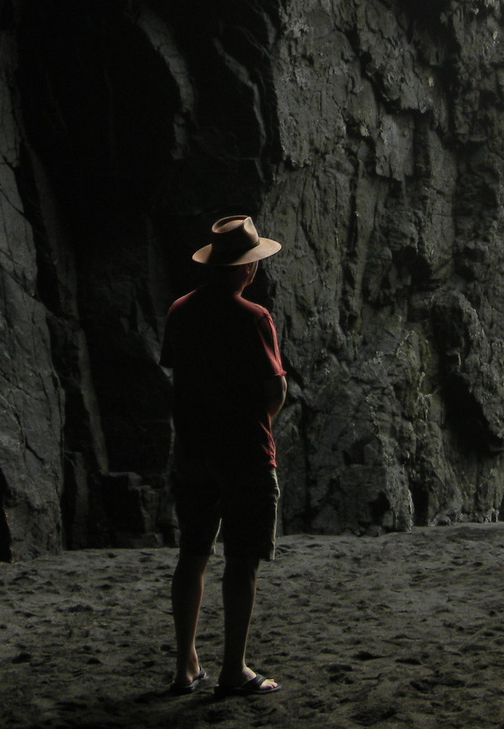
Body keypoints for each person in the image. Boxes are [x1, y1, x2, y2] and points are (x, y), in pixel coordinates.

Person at [161, 215, 287, 698]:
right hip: (245, 454)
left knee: (192, 555)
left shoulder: (180, 311)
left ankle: (185, 664)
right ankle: (233, 669)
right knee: (242, 559)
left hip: (192, 450)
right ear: (247, 270)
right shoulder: (254, 318)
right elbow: (273, 392)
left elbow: (176, 373)